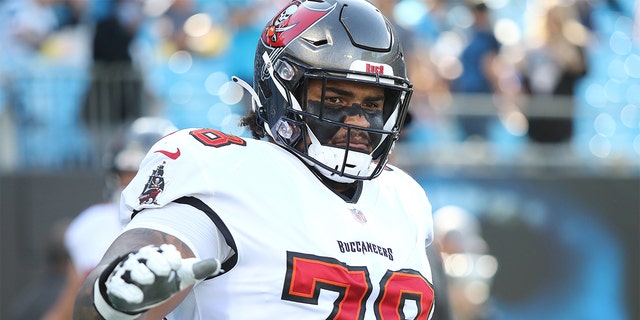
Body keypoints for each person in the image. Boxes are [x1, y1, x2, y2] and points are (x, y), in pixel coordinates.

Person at [73, 1, 438, 319]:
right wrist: (116, 293)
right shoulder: (226, 171)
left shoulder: (403, 197)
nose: (358, 121)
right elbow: (126, 276)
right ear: (281, 91)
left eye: (373, 104)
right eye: (335, 99)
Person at [42, 117, 176, 320]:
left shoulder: (185, 222)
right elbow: (69, 304)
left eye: (141, 172)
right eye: (125, 172)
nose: (131, 182)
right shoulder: (92, 223)